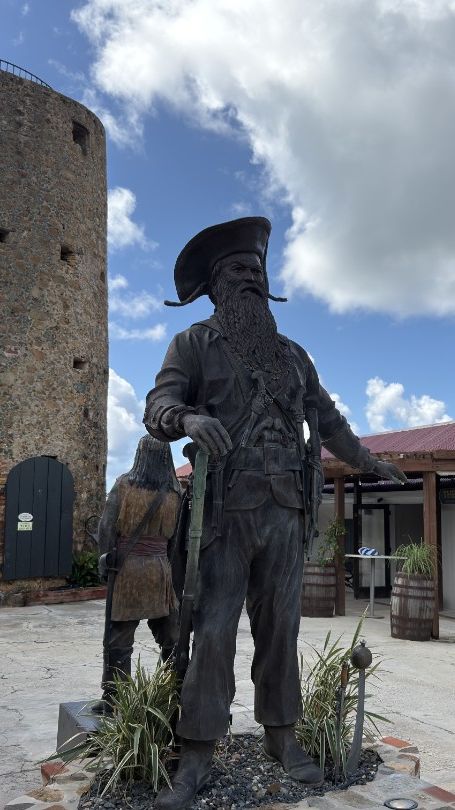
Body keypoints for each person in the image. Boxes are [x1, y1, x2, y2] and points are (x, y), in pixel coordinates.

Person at [143, 217, 406, 809]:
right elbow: (158, 402)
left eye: (258, 271)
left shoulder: (293, 356)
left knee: (281, 630)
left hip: (287, 511)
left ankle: (282, 737)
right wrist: (187, 419)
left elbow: (331, 422)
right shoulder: (193, 344)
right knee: (211, 633)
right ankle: (198, 753)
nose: (252, 280)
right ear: (217, 284)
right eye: (240, 271)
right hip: (224, 514)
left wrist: (370, 462)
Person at [94, 435, 181, 713]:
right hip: (159, 570)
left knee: (118, 638)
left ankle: (114, 700)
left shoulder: (123, 486)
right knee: (171, 635)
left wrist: (105, 561)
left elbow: (107, 529)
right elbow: (177, 541)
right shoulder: (175, 493)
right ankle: (172, 693)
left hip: (128, 570)